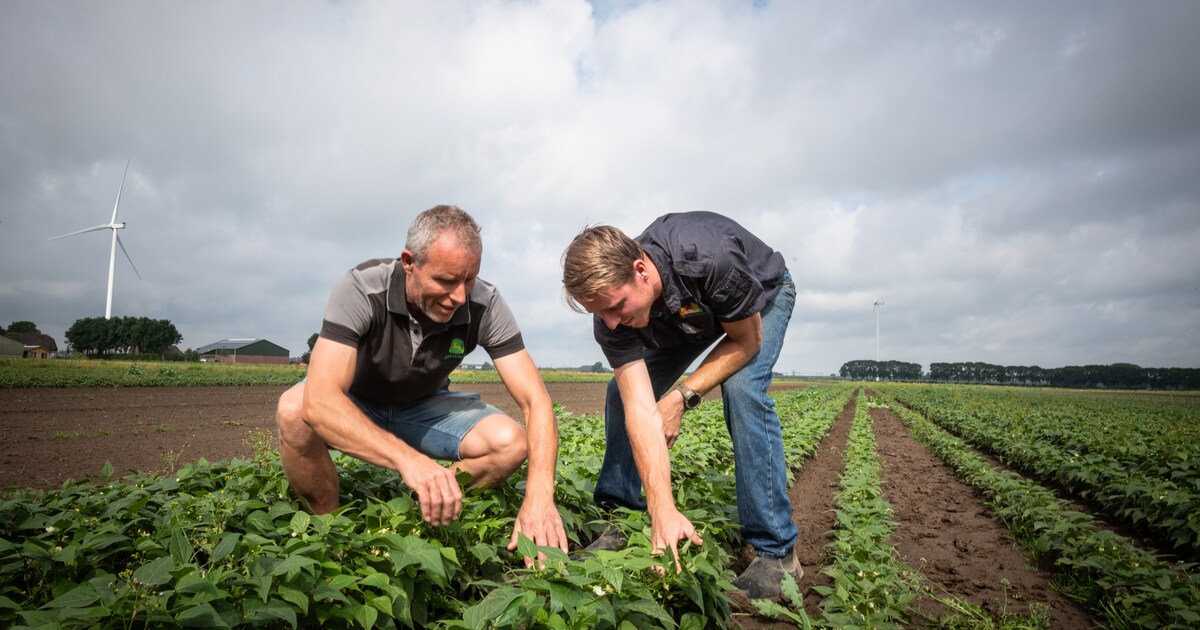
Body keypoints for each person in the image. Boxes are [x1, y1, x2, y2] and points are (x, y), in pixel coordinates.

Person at [277, 204, 566, 561]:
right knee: (294, 410)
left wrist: (540, 496)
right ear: (409, 262)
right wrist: (409, 461)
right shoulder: (362, 288)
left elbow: (536, 401)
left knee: (509, 444)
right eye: (445, 280)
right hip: (357, 401)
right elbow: (320, 401)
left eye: (469, 279)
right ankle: (329, 528)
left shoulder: (485, 304)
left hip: (423, 406)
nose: (459, 296)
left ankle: (424, 508)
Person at [560, 211, 800, 599]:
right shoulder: (612, 317)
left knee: (743, 390)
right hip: (681, 315)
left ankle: (777, 553)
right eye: (599, 312)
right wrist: (664, 510)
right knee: (619, 394)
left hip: (755, 301)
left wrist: (681, 397)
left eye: (616, 307)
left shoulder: (710, 258)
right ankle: (622, 518)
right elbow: (640, 410)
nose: (611, 323)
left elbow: (746, 342)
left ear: (640, 270)